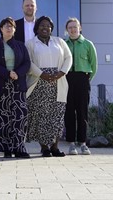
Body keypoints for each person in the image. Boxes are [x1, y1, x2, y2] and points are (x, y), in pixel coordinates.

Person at [25, 16, 72, 157]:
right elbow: (28, 62)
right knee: (41, 116)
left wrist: (62, 72)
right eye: (42, 26)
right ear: (37, 28)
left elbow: (68, 57)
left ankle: (55, 147)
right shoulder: (30, 43)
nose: (45, 28)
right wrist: (41, 74)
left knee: (57, 116)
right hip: (39, 82)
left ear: (51, 28)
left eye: (48, 26)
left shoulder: (59, 41)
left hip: (58, 81)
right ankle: (44, 147)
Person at [0, 17, 31, 158]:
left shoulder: (20, 45)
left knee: (19, 116)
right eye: (6, 26)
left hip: (18, 85)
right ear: (1, 29)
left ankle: (19, 147)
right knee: (2, 118)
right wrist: (7, 73)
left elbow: (26, 63)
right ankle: (6, 148)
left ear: (14, 29)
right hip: (1, 85)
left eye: (11, 26)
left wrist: (17, 74)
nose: (8, 28)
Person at [64, 17, 98, 155]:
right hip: (67, 79)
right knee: (69, 112)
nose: (73, 29)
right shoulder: (63, 44)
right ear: (67, 30)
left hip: (83, 79)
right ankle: (71, 143)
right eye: (70, 27)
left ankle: (83, 143)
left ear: (80, 28)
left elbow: (94, 65)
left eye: (75, 27)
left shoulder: (87, 44)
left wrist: (87, 79)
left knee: (82, 112)